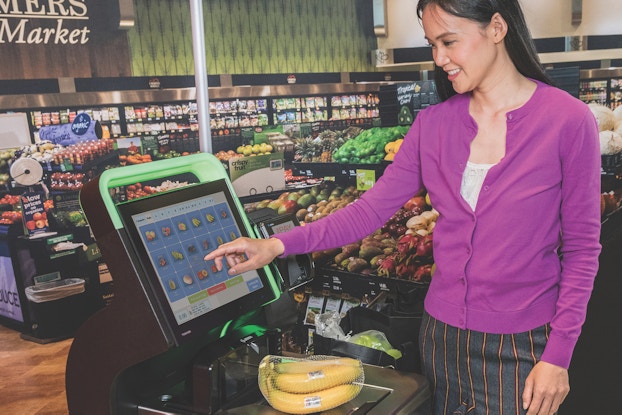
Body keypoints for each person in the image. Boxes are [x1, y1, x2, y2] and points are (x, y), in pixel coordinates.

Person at [204, 0, 601, 413]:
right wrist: (277, 245)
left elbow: (582, 249)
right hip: (441, 337)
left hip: (522, 345)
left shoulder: (567, 121)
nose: (439, 58)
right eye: (432, 44)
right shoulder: (432, 124)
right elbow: (370, 210)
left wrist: (558, 355)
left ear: (496, 28)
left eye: (449, 41)